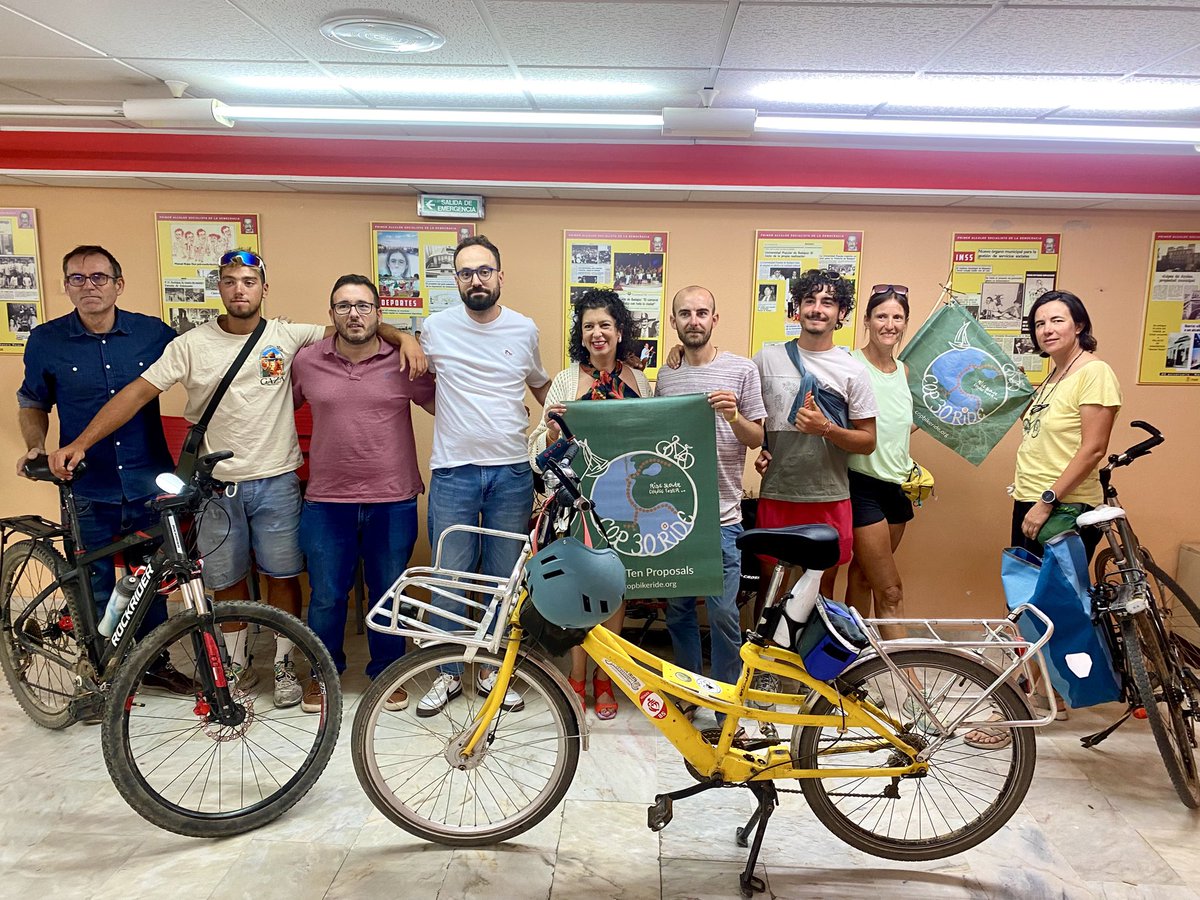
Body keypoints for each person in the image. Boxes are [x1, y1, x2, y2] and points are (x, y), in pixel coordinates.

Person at [49, 249, 426, 708]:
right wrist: (82, 441)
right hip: (219, 487)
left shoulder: (290, 337)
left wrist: (403, 335)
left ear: (264, 288)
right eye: (230, 281)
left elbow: (359, 330)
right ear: (220, 288)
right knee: (239, 582)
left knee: (286, 576)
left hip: (280, 482)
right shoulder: (197, 345)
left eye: (249, 281)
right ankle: (242, 662)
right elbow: (137, 393)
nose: (240, 289)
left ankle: (289, 664)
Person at [16, 245, 192, 696]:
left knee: (150, 577)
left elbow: (202, 361)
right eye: (77, 278)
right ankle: (95, 676)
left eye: (98, 277)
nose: (88, 286)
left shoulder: (153, 334)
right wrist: (36, 446)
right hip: (86, 485)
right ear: (65, 285)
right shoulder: (45, 340)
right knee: (93, 582)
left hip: (146, 477)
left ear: (118, 283)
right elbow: (32, 402)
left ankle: (153, 662)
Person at [968, 289, 1121, 746]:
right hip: (1035, 502)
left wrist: (1048, 500)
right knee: (1033, 607)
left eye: (1057, 320)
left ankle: (1012, 712)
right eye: (1039, 324)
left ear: (1078, 324)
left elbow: (1093, 448)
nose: (1048, 329)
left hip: (1063, 508)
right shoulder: (1053, 378)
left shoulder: (1094, 373)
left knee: (1031, 609)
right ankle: (1046, 692)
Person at [417, 235, 551, 717]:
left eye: (484, 271)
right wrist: (403, 337)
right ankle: (449, 673)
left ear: (500, 275)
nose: (476, 279)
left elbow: (541, 385)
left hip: (512, 471)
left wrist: (566, 421)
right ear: (455, 279)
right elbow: (399, 347)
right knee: (449, 576)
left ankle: (496, 669)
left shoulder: (523, 329)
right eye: (466, 272)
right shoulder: (434, 328)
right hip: (453, 471)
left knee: (502, 579)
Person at [292, 274, 435, 713]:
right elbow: (272, 408)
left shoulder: (403, 360)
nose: (354, 314)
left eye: (363, 306)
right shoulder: (306, 361)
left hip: (392, 499)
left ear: (378, 313)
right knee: (328, 594)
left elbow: (443, 404)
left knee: (388, 591)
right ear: (331, 313)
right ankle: (323, 674)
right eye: (343, 306)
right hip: (326, 500)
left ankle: (387, 672)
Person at [529, 288, 650, 720]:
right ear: (581, 335)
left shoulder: (639, 381)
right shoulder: (564, 381)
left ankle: (606, 678)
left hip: (621, 502)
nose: (597, 334)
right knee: (580, 590)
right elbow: (538, 450)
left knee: (615, 588)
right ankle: (576, 677)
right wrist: (552, 431)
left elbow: (649, 437)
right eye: (588, 327)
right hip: (576, 501)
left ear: (620, 331)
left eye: (605, 325)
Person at [656, 285, 765, 704]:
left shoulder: (742, 370)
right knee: (679, 611)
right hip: (676, 518)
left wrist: (733, 414)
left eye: (702, 312)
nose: (694, 320)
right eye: (685, 313)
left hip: (722, 516)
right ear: (674, 322)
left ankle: (723, 698)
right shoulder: (667, 374)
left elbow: (756, 438)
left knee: (722, 614)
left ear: (714, 319)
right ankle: (687, 691)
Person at [754, 269, 877, 605]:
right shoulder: (767, 359)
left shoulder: (852, 369)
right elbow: (751, 412)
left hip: (828, 497)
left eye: (828, 302)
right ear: (798, 308)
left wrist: (826, 428)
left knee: (820, 594)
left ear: (841, 314)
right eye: (810, 300)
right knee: (770, 592)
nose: (817, 308)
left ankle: (810, 660)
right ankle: (771, 659)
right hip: (778, 493)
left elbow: (867, 440)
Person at [844, 285, 916, 632]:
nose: (890, 324)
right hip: (860, 485)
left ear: (905, 323)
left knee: (862, 574)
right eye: (882, 316)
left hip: (895, 486)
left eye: (897, 317)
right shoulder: (848, 364)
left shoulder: (903, 371)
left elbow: (895, 424)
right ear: (867, 321)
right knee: (890, 590)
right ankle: (906, 680)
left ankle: (853, 664)